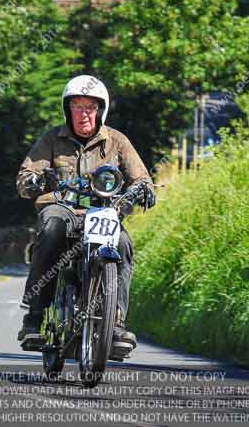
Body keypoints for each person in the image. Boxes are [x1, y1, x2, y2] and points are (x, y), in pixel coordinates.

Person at [15, 75, 156, 349]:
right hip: (62, 207)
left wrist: (144, 189)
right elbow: (24, 177)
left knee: (124, 243)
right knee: (52, 226)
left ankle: (115, 324)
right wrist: (37, 180)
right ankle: (35, 317)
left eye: (89, 107)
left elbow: (141, 177)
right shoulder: (51, 139)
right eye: (77, 107)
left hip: (102, 212)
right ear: (68, 110)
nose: (83, 114)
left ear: (100, 110)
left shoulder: (117, 141)